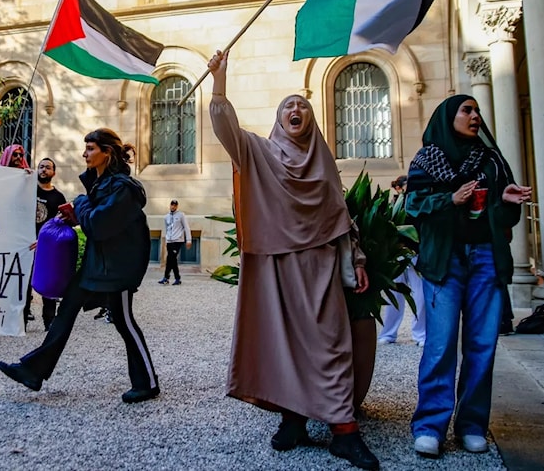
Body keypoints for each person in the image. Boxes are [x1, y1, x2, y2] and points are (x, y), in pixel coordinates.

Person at [207, 50, 380, 471]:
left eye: (301, 104)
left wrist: (355, 260)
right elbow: (225, 127)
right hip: (276, 266)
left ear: (311, 118)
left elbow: (341, 216)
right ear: (280, 119)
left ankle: (344, 431)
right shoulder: (260, 153)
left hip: (320, 267)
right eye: (289, 106)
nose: (296, 109)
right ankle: (293, 418)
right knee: (281, 344)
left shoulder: (324, 164)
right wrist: (220, 80)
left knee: (332, 344)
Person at [406, 95, 532, 459]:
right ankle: (430, 425)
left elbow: (506, 218)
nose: (475, 116)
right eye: (467, 110)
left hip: (485, 260)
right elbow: (412, 206)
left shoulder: (492, 160)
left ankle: (472, 424)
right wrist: (451, 201)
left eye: (477, 111)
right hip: (445, 261)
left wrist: (504, 200)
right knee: (441, 343)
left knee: (481, 344)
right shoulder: (427, 159)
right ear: (449, 117)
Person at [0, 128, 160, 404]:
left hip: (117, 268)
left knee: (124, 321)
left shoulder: (123, 188)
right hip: (97, 264)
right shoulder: (101, 184)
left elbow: (98, 224)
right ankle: (33, 371)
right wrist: (75, 216)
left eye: (91, 148)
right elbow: (94, 222)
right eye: (85, 148)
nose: (85, 154)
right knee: (67, 310)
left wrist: (81, 204)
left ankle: (148, 383)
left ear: (107, 152)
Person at [379, 175, 425, 346]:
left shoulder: (415, 203)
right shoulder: (391, 205)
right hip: (396, 254)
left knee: (420, 295)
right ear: (398, 188)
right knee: (394, 296)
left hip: (414, 253)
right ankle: (388, 333)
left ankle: (420, 334)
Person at [0, 144, 36, 327]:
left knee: (22, 272)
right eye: (15, 154)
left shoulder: (27, 177)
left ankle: (24, 309)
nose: (18, 157)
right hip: (3, 232)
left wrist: (29, 180)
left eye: (21, 154)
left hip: (20, 234)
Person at [34, 158, 67, 331]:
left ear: (53, 172)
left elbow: (61, 222)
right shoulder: (28, 190)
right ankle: (20, 319)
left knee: (49, 284)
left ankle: (49, 321)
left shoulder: (58, 197)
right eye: (41, 167)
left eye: (48, 167)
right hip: (27, 244)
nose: (44, 170)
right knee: (23, 283)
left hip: (46, 246)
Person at [159, 199, 191, 285]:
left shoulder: (181, 215)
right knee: (170, 259)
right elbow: (166, 229)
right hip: (169, 241)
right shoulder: (166, 217)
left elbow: (186, 227)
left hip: (178, 240)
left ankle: (174, 278)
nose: (173, 206)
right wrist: (166, 240)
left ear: (177, 206)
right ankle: (169, 278)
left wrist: (189, 240)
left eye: (175, 205)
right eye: (172, 205)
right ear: (170, 205)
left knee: (171, 258)